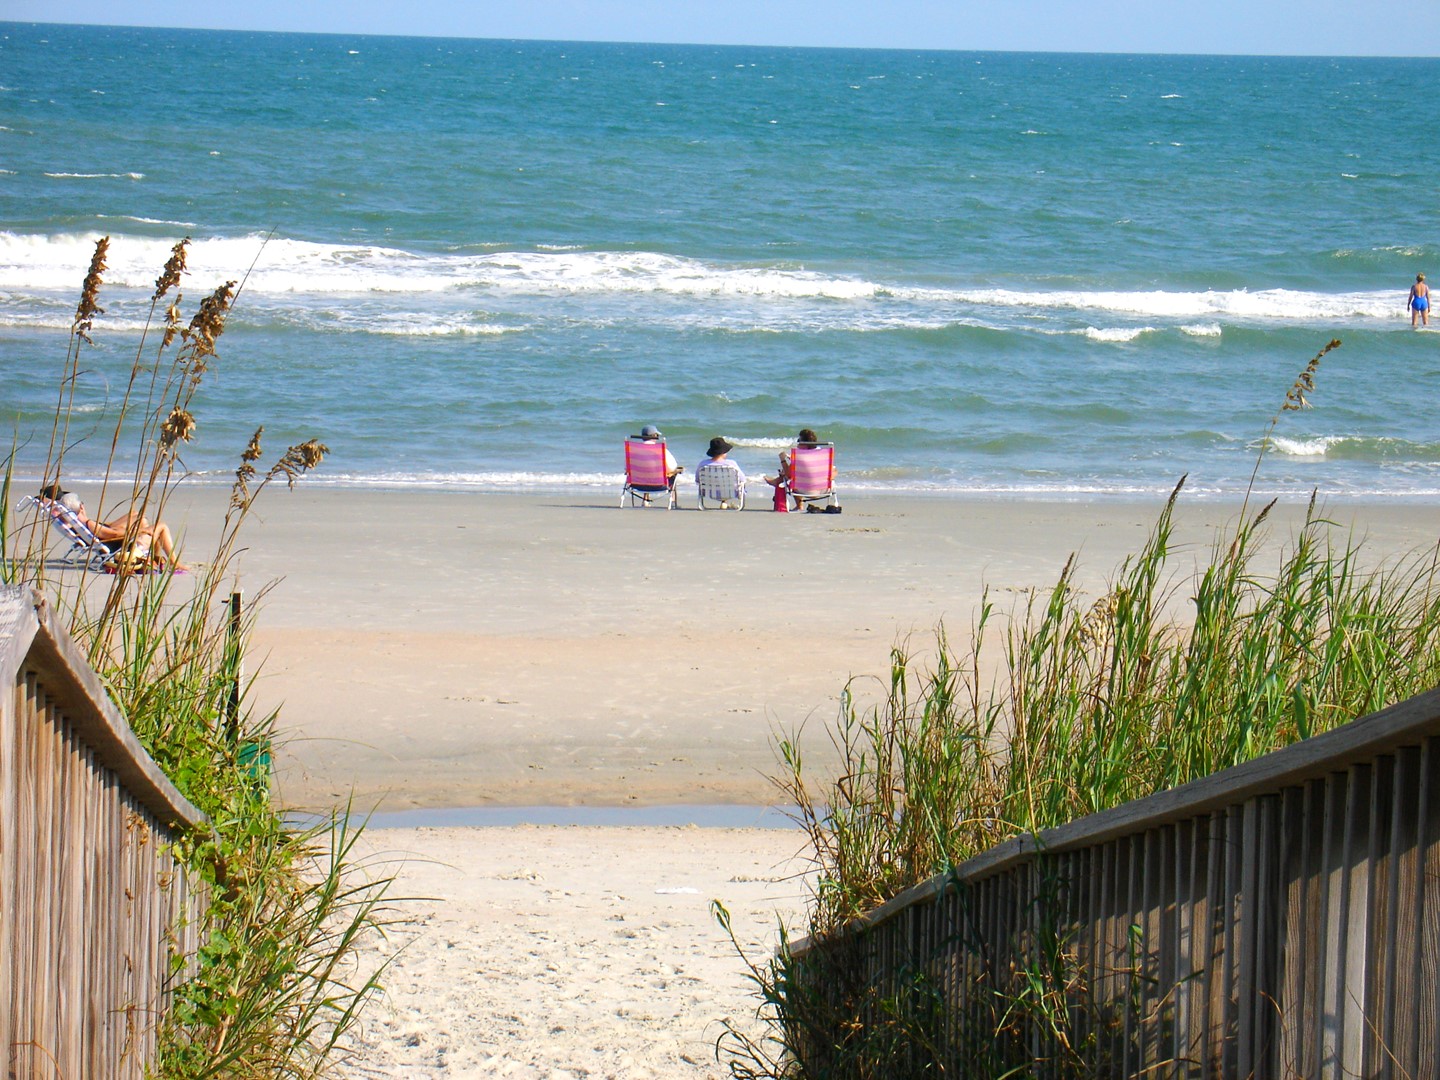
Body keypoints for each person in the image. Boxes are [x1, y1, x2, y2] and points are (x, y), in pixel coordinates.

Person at [45, 488, 185, 570]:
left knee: (138, 517)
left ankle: (154, 558)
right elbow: (116, 535)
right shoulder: (90, 524)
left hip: (113, 541)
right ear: (81, 507)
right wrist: (139, 532)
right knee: (161, 525)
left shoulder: (82, 523)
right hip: (124, 545)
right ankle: (174, 563)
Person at [696, 436, 746, 508]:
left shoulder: (703, 464)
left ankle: (724, 502)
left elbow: (697, 480)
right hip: (731, 492)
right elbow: (743, 479)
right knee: (737, 483)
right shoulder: (731, 464)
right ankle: (726, 502)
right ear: (724, 452)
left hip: (708, 492)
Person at [638, 423, 683, 491]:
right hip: (658, 485)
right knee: (674, 474)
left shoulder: (634, 451)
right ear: (655, 436)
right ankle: (672, 501)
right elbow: (672, 467)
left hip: (638, 485)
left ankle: (645, 501)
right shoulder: (661, 451)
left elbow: (627, 468)